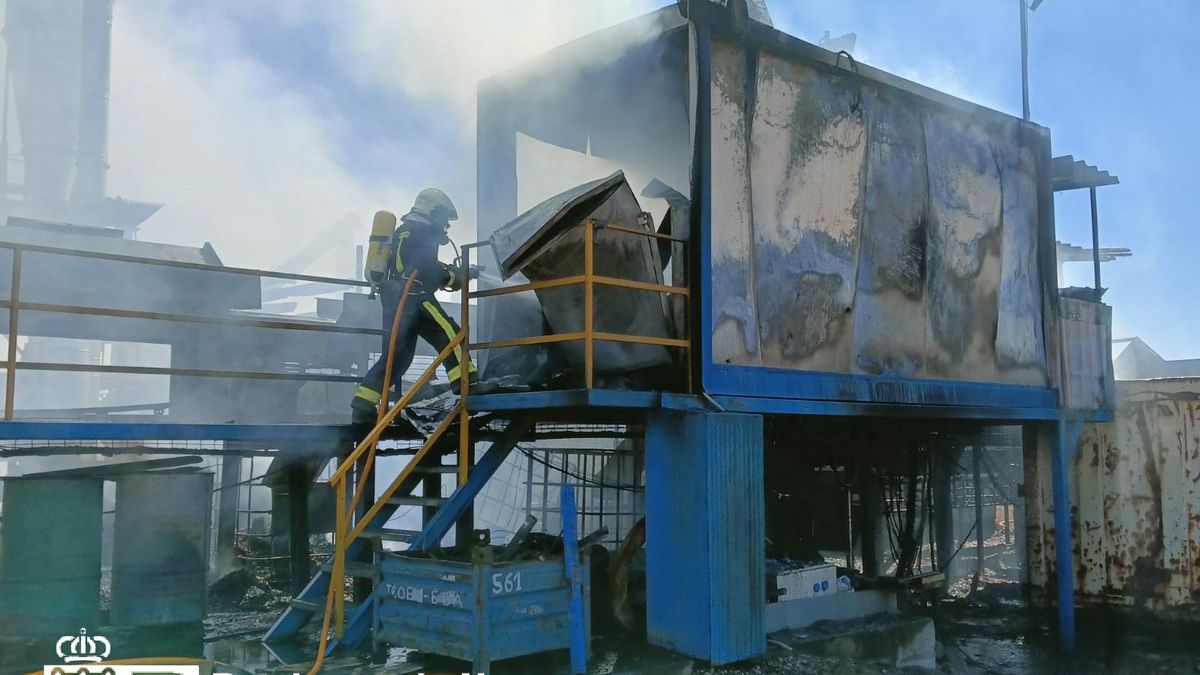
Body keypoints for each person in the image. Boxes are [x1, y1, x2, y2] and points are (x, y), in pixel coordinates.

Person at [351, 188, 479, 424]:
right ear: (432, 211)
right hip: (416, 297)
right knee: (451, 334)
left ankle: (363, 403)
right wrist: (458, 275)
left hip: (395, 300)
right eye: (444, 219)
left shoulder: (404, 232)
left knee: (398, 356)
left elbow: (417, 265)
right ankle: (468, 384)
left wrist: (453, 274)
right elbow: (428, 271)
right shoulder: (421, 233)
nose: (446, 227)